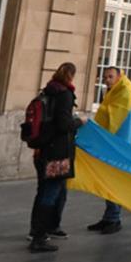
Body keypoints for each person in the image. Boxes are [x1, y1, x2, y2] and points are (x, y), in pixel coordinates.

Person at [28, 62, 82, 252]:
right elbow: (64, 124)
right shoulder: (65, 94)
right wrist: (79, 121)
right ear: (71, 76)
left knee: (44, 190)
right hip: (57, 153)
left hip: (42, 150)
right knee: (50, 193)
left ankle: (37, 231)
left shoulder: (48, 91)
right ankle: (40, 237)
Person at [87, 65, 131, 234]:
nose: (106, 80)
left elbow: (117, 116)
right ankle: (109, 216)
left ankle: (114, 219)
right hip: (112, 142)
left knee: (114, 180)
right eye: (105, 77)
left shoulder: (126, 91)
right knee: (108, 180)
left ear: (119, 76)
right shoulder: (116, 90)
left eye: (110, 77)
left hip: (119, 144)